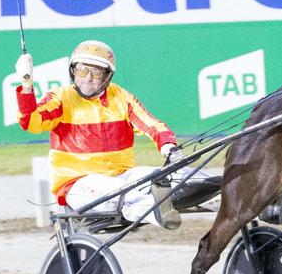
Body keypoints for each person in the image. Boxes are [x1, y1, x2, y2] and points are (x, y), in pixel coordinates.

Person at [15, 40, 182, 229]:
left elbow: (151, 124)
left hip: (122, 175)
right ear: (73, 71)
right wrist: (26, 83)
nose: (87, 78)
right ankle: (155, 211)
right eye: (81, 70)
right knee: (129, 191)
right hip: (77, 183)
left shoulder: (121, 97)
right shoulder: (61, 98)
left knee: (167, 176)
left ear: (107, 76)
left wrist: (168, 145)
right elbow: (30, 121)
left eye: (95, 72)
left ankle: (216, 195)